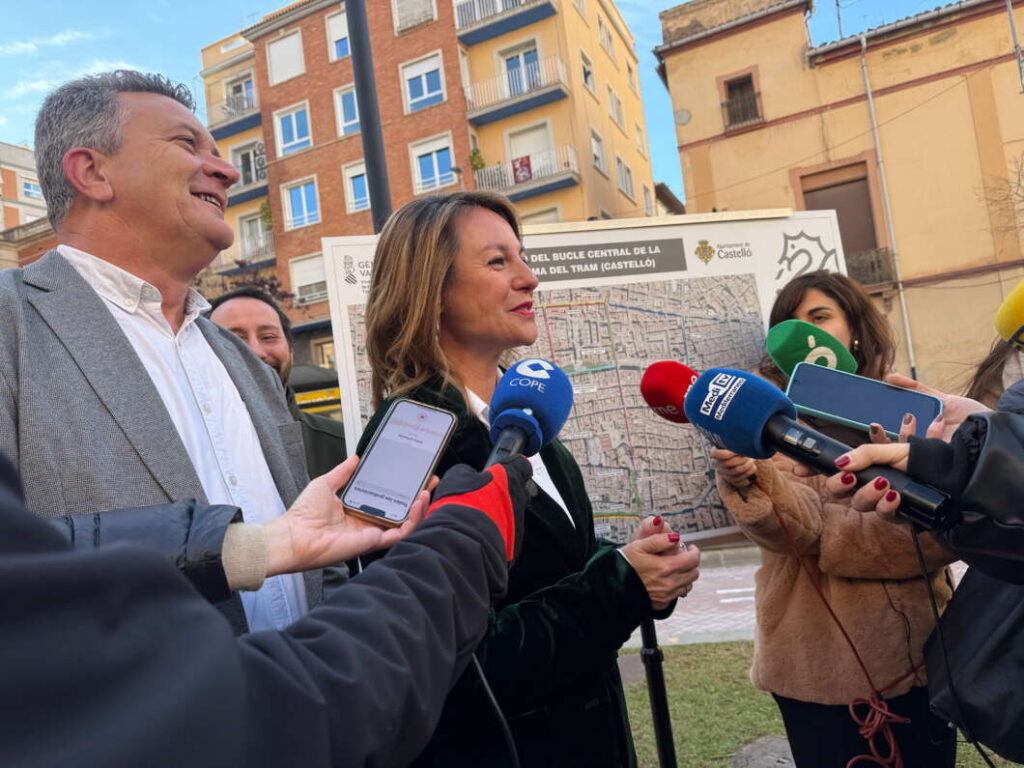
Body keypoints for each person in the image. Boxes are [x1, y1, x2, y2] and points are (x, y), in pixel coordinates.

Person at [358, 191, 701, 767]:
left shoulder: (527, 415)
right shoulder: (405, 439)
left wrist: (642, 564)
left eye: (522, 257)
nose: (530, 278)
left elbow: (552, 570)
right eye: (498, 262)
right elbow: (442, 662)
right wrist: (619, 586)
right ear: (430, 290)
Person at [0, 70, 320, 633]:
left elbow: (309, 548)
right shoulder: (11, 324)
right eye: (185, 144)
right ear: (92, 173)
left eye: (218, 153)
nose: (225, 171)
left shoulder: (243, 361)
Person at [0, 449, 540, 768]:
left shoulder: (228, 355)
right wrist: (461, 543)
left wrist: (269, 544)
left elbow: (42, 557)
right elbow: (265, 719)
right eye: (495, 260)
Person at [710, 271, 958, 767]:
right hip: (813, 668)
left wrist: (834, 535)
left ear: (855, 329)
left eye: (820, 317)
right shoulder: (769, 421)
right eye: (791, 323)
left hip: (923, 659)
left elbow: (943, 530)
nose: (808, 334)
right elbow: (790, 528)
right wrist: (751, 480)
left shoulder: (910, 408)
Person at [208, 286, 347, 478]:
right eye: (234, 340)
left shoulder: (344, 445)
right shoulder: (193, 452)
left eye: (268, 337)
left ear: (291, 350)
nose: (256, 353)